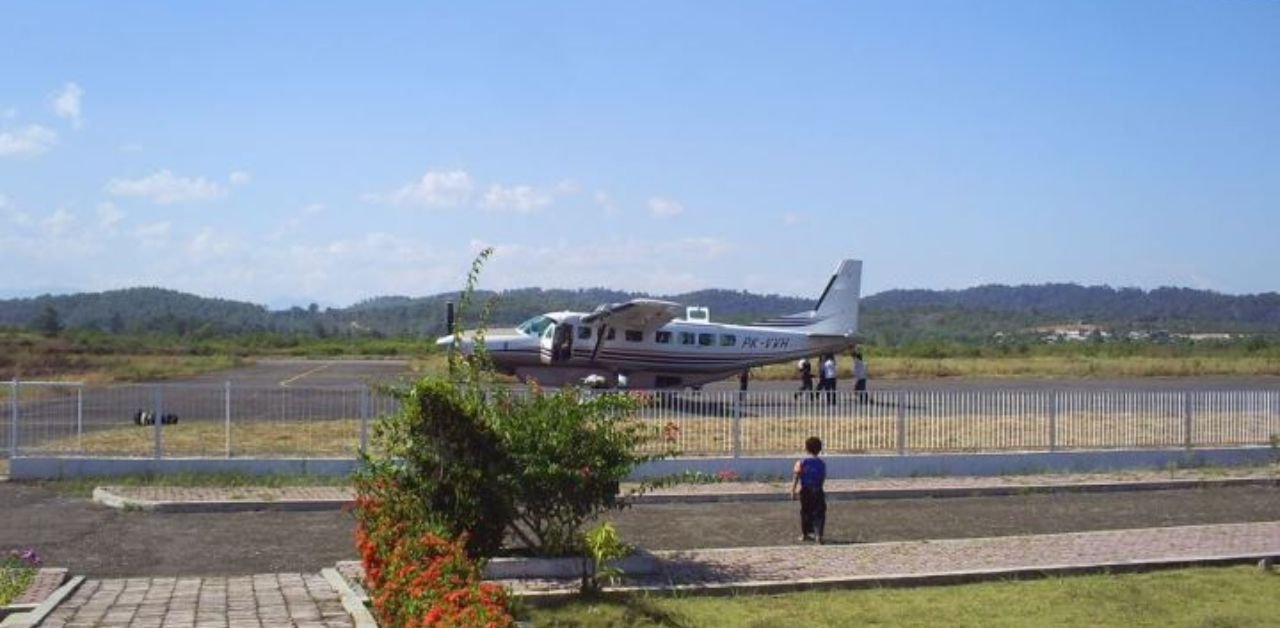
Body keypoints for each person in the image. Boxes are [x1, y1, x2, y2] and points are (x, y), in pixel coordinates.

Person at [790, 435, 827, 543]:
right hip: (818, 490)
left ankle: (805, 534)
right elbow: (823, 477)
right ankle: (819, 535)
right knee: (819, 512)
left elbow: (796, 475)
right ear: (819, 449)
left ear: (806, 448)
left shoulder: (801, 462)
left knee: (806, 512)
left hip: (806, 490)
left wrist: (792, 490)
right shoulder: (821, 463)